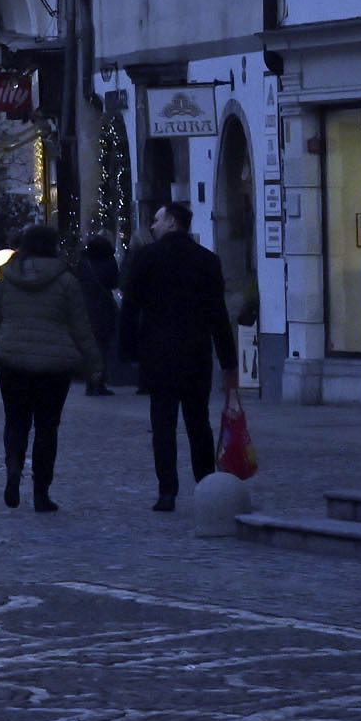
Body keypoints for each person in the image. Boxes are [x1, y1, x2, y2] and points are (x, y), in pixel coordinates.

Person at [0, 222, 100, 512]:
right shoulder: (66, 281)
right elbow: (80, 327)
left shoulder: (6, 280)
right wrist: (93, 362)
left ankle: (13, 468)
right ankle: (41, 492)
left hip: (12, 361)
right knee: (47, 428)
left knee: (16, 421)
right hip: (54, 366)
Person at [120, 201, 235, 510]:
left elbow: (130, 307)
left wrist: (127, 351)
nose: (153, 225)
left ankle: (167, 491)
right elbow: (218, 313)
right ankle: (205, 483)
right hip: (196, 352)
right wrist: (228, 359)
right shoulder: (207, 260)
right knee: (198, 422)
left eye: (157, 220)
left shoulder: (147, 257)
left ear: (171, 221)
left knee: (163, 425)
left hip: (158, 353)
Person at [75, 233, 125, 396]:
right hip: (104, 307)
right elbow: (114, 283)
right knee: (102, 347)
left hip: (86, 307)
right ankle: (99, 382)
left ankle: (91, 382)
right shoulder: (109, 263)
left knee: (90, 347)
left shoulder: (84, 263)